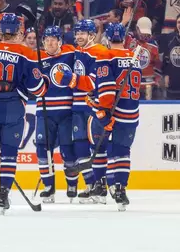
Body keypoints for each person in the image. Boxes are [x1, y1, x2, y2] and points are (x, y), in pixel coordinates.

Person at [0, 13, 48, 214]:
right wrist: (45, 80)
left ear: (1, 30)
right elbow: (38, 89)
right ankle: (3, 196)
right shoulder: (26, 53)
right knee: (9, 155)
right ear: (19, 31)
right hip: (14, 106)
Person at [56, 19, 116, 203]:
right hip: (78, 105)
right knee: (82, 146)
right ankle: (93, 185)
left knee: (97, 147)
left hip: (94, 106)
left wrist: (70, 79)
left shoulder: (99, 53)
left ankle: (102, 187)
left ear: (92, 35)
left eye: (83, 33)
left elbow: (93, 83)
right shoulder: (80, 51)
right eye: (77, 33)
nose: (79, 36)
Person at [96, 22, 142, 211]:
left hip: (114, 112)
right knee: (122, 151)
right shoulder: (134, 58)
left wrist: (104, 113)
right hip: (131, 112)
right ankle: (120, 188)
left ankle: (102, 184)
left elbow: (106, 88)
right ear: (124, 38)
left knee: (104, 149)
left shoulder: (105, 56)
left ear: (107, 38)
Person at [36, 26, 79, 203]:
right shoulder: (36, 57)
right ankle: (49, 187)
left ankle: (72, 184)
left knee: (68, 150)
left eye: (53, 39)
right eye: (46, 39)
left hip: (66, 111)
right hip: (44, 112)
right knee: (42, 150)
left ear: (60, 41)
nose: (50, 42)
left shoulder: (70, 54)